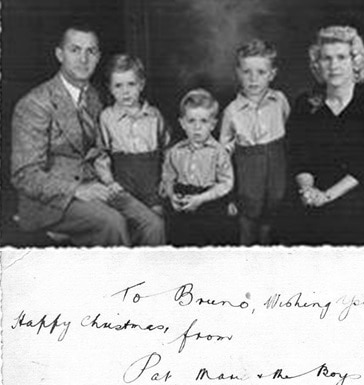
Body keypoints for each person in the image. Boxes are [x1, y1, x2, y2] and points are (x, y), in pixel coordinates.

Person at [11, 22, 165, 246]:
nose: (83, 59)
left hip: (99, 186)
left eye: (90, 51)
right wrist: (77, 190)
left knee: (153, 223)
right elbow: (24, 174)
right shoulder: (35, 104)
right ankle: (123, 282)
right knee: (112, 222)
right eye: (75, 50)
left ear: (98, 56)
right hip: (53, 203)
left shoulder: (96, 96)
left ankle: (153, 280)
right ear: (59, 54)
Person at [287, 26, 364, 245]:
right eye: (326, 58)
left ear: (356, 62)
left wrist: (326, 196)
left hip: (357, 202)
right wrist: (307, 190)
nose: (334, 66)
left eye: (341, 57)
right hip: (310, 197)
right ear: (318, 64)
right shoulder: (304, 104)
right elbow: (298, 157)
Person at [220, 39, 290, 246]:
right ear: (238, 73)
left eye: (260, 72)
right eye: (246, 72)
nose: (253, 79)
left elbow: (288, 127)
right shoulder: (231, 111)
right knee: (249, 216)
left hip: (276, 164)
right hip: (248, 169)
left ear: (272, 74)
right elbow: (224, 154)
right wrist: (229, 196)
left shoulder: (280, 101)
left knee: (273, 213)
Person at [95, 54, 169, 219]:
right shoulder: (107, 117)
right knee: (127, 224)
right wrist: (109, 182)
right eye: (118, 86)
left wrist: (166, 178)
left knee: (156, 222)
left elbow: (167, 150)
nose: (125, 92)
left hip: (152, 186)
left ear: (141, 85)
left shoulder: (154, 115)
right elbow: (101, 154)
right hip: (123, 187)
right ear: (110, 88)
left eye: (131, 84)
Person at [161, 89, 234, 246]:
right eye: (191, 121)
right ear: (182, 123)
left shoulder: (219, 152)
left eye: (203, 121)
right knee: (180, 239)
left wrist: (200, 199)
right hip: (183, 198)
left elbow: (226, 183)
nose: (197, 127)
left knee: (210, 242)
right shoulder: (175, 151)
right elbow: (168, 177)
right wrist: (172, 195)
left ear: (213, 124)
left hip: (210, 202)